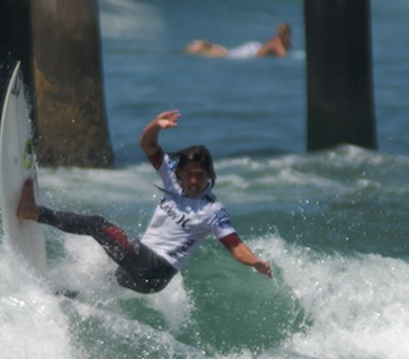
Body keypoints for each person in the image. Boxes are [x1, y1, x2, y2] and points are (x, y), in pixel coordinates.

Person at [17, 110, 272, 294]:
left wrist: (255, 262)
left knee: (97, 224)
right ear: (181, 172)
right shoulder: (172, 178)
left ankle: (33, 212)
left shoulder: (213, 211)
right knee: (98, 281)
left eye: (201, 175)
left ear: (209, 175)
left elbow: (235, 245)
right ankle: (57, 298)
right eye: (190, 174)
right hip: (143, 270)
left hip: (156, 269)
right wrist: (156, 125)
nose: (195, 180)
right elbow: (147, 143)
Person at [185, 22, 292, 59]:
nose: (278, 32)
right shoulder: (277, 41)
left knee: (227, 53)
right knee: (228, 54)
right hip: (252, 51)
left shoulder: (277, 41)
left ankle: (204, 45)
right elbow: (282, 55)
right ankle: (204, 45)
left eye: (281, 31)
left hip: (253, 49)